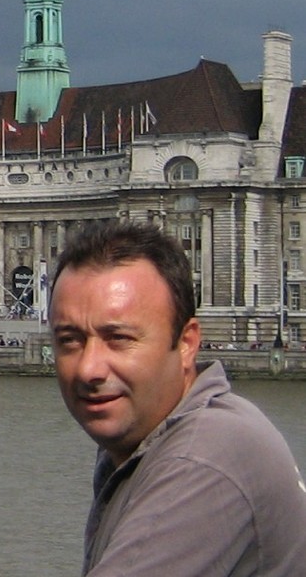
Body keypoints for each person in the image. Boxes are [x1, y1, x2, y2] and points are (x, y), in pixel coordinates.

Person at [49, 219, 306, 575]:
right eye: (69, 340)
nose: (89, 369)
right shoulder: (147, 436)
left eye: (119, 339)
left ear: (186, 344)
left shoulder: (202, 459)